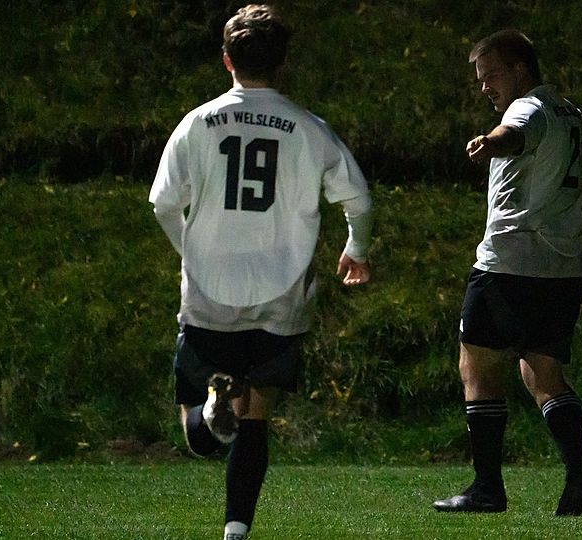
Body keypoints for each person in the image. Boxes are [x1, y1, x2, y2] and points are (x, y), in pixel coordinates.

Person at [149, 5, 373, 539]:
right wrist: (357, 249)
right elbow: (359, 199)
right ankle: (236, 531)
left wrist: (190, 252)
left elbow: (163, 203)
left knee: (198, 433)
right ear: (283, 62)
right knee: (256, 415)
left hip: (210, 294)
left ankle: (211, 408)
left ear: (227, 59)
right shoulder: (309, 128)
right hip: (281, 294)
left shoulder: (197, 123)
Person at [432, 29, 582, 517]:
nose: (484, 87)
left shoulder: (527, 108)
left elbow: (515, 134)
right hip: (562, 266)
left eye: (490, 76)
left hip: (508, 263)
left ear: (520, 69)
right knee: (543, 373)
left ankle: (487, 488)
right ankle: (578, 481)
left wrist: (490, 142)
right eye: (480, 79)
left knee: (478, 369)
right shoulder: (573, 114)